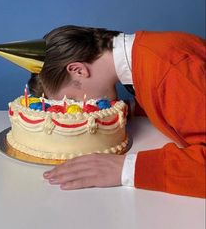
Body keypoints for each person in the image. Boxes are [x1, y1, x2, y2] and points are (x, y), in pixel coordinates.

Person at [39, 25, 205, 198]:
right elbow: (174, 98)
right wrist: (130, 109)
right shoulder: (147, 54)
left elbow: (175, 84)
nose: (81, 107)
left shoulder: (169, 67)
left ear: (78, 71)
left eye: (74, 100)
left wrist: (126, 168)